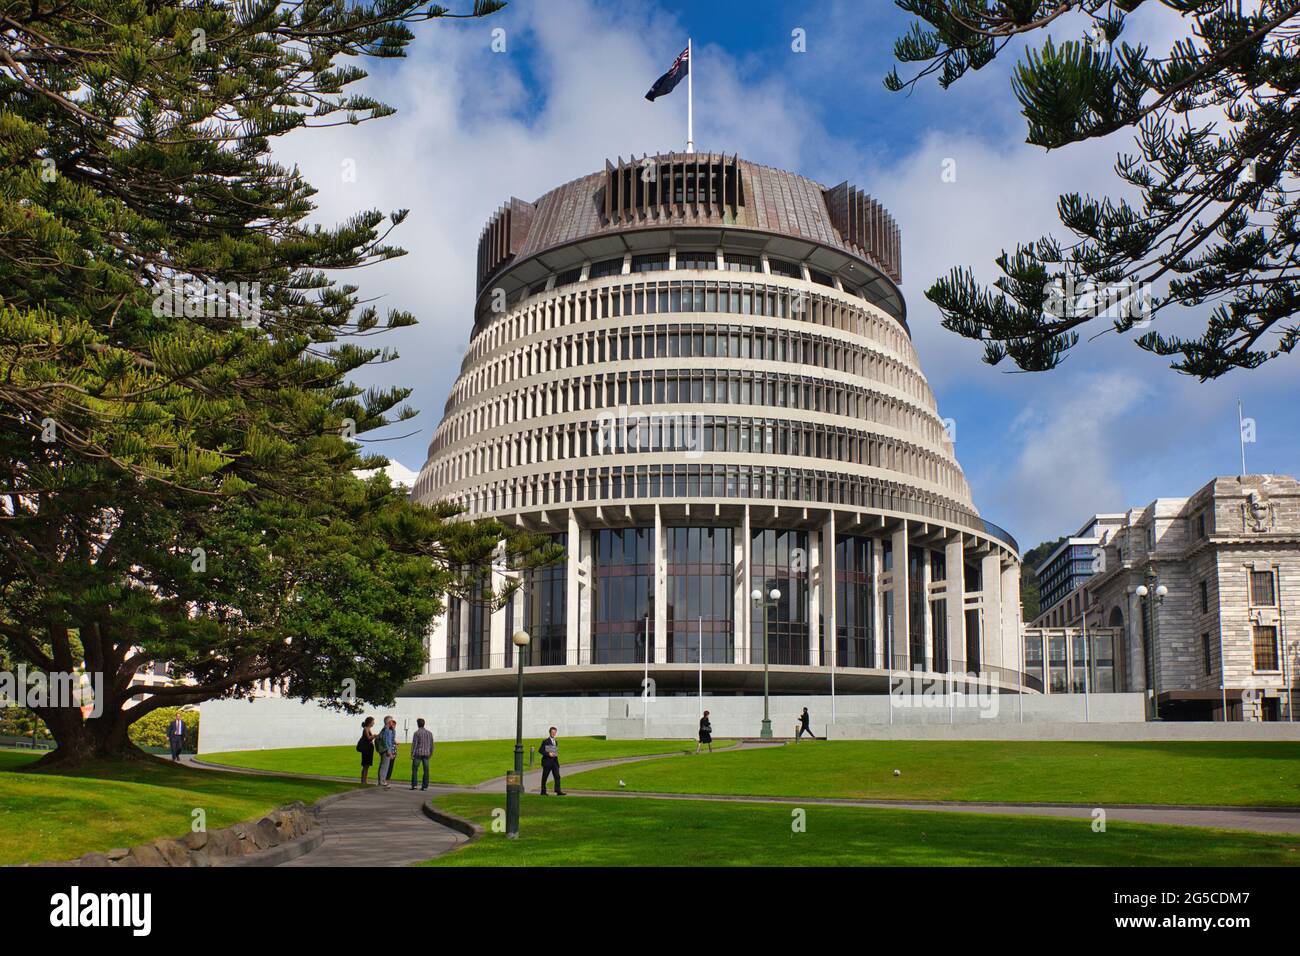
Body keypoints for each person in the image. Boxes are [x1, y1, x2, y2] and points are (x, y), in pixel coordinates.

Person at [410, 718, 435, 791]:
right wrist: (431, 753)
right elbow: (432, 745)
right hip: (426, 753)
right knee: (426, 770)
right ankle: (425, 786)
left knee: (415, 769)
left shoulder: (416, 733)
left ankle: (414, 785)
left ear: (418, 724)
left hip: (418, 753)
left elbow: (414, 745)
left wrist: (412, 754)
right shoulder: (429, 733)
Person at [539, 726, 564, 795]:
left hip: (554, 762)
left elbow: (555, 752)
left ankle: (558, 791)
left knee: (557, 776)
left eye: (554, 732)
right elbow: (540, 750)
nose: (553, 733)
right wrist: (548, 754)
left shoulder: (556, 742)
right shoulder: (545, 741)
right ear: (550, 732)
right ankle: (543, 791)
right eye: (552, 732)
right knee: (545, 777)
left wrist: (557, 763)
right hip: (547, 762)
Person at [376, 716, 397, 789]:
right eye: (391, 721)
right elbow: (385, 741)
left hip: (388, 750)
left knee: (386, 766)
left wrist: (393, 730)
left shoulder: (389, 730)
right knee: (384, 766)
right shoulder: (386, 730)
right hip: (385, 750)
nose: (393, 722)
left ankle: (382, 780)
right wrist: (388, 751)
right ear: (388, 722)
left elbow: (392, 739)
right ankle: (381, 781)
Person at [357, 716, 377, 785]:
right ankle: (363, 781)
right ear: (369, 722)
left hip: (369, 749)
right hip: (366, 750)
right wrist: (374, 736)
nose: (374, 723)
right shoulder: (366, 729)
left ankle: (364, 780)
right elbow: (368, 738)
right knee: (365, 766)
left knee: (367, 766)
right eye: (373, 721)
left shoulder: (368, 729)